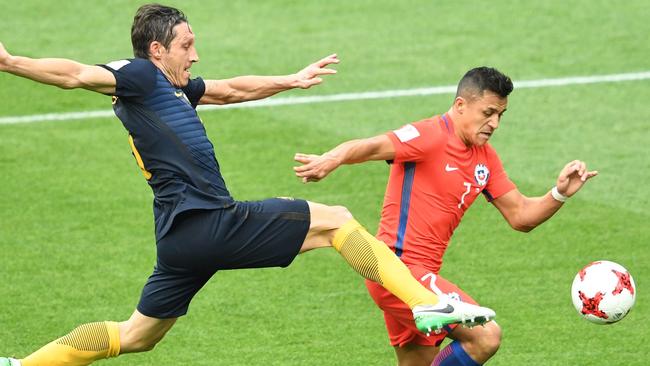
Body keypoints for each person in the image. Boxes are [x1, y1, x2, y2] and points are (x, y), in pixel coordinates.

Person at [0, 4, 496, 366]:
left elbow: (231, 89)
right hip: (211, 220)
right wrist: (10, 62)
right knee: (337, 221)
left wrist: (292, 79)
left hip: (180, 240)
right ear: (157, 50)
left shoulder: (171, 88)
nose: (194, 55)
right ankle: (425, 302)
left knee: (136, 336)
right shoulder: (136, 76)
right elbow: (74, 75)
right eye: (186, 45)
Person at [293, 66, 598, 366]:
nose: (494, 124)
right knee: (485, 337)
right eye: (488, 113)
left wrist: (559, 193)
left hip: (425, 276)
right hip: (396, 271)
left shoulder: (486, 158)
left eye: (500, 116)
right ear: (461, 105)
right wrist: (330, 159)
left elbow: (521, 216)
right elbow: (371, 146)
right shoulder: (429, 135)